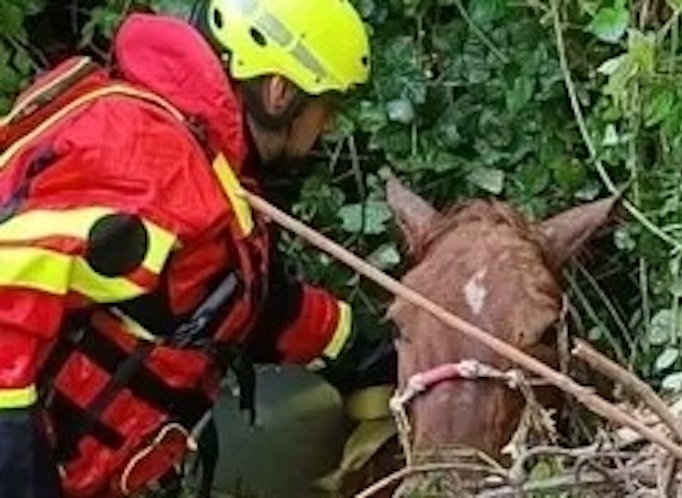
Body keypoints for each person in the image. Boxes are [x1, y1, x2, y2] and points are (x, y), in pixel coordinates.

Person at [0, 0, 396, 497]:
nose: (330, 126)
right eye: (328, 106)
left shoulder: (185, 145)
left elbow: (214, 298)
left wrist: (359, 349)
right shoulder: (152, 166)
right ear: (280, 92)